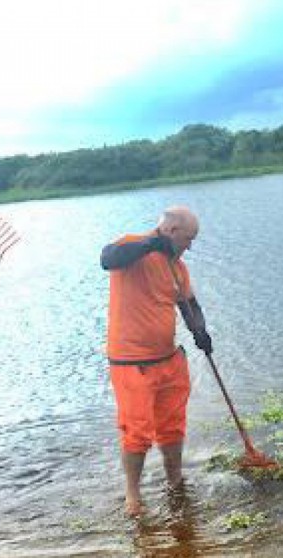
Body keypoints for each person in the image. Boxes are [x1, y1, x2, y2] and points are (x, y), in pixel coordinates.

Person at [100, 206, 212, 517]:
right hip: (132, 363)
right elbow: (107, 259)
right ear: (172, 231)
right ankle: (133, 496)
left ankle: (175, 482)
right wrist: (152, 244)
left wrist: (200, 332)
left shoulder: (178, 267)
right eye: (188, 239)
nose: (190, 246)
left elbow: (189, 304)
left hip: (169, 359)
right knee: (137, 433)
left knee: (173, 427)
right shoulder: (132, 248)